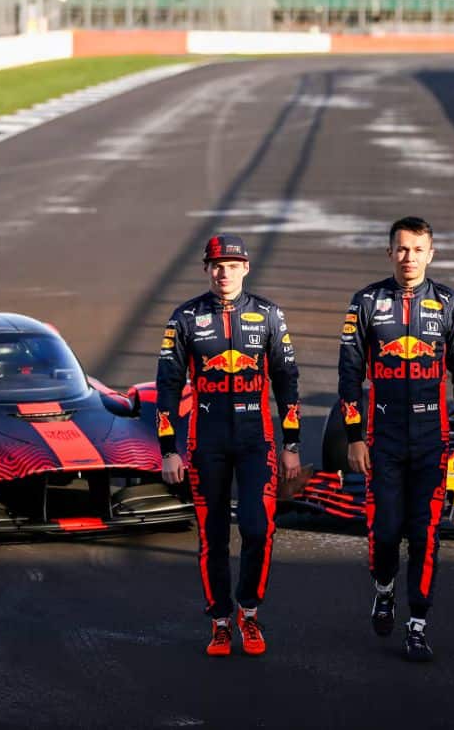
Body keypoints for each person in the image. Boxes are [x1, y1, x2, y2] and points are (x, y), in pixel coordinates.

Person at [338, 216, 454, 662]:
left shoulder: (451, 304)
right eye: (401, 249)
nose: (409, 258)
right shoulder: (365, 302)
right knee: (384, 532)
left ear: (431, 254)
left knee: (426, 535)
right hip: (383, 439)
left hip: (433, 440)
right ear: (389, 253)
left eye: (418, 250)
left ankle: (417, 625)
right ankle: (383, 588)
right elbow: (349, 374)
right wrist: (354, 437)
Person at [157, 234, 301, 657]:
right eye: (217, 265)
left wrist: (292, 442)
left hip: (258, 439)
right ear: (207, 269)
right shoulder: (184, 317)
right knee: (212, 536)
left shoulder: (269, 315)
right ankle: (220, 621)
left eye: (232, 264)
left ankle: (249, 611)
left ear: (246, 268)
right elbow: (167, 386)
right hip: (206, 440)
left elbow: (287, 380)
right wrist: (169, 448)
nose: (224, 272)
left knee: (259, 527)